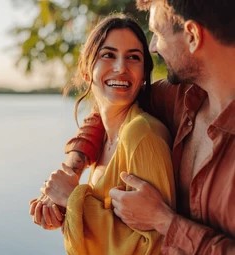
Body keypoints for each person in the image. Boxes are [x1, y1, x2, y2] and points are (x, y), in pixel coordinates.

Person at [33, 0, 235, 254]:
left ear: (192, 35)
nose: (153, 47)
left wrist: (164, 221)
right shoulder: (178, 98)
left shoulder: (147, 129)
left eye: (158, 34)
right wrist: (73, 168)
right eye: (108, 54)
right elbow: (110, 106)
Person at [31, 13, 176, 255]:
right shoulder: (105, 139)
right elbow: (111, 229)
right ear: (87, 71)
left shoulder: (141, 135)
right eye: (108, 55)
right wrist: (66, 214)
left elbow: (158, 246)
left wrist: (72, 199)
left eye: (133, 57)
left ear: (143, 76)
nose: (121, 68)